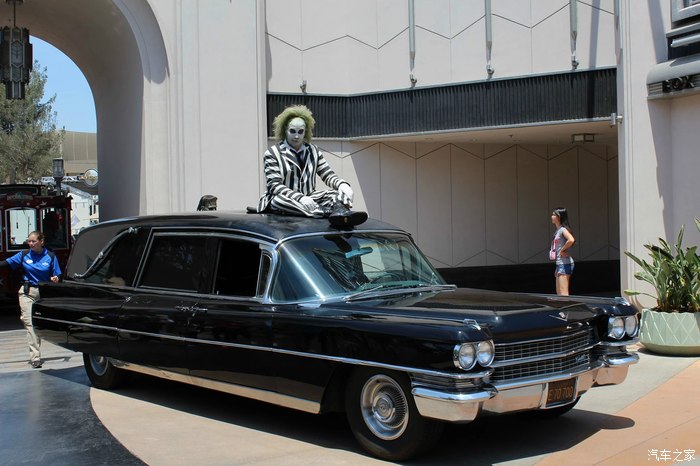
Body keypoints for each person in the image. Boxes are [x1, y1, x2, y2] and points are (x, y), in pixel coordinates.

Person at [257, 105, 367, 227]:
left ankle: (341, 211)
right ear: (285, 130)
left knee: (335, 194)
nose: (296, 136)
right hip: (286, 199)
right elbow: (274, 186)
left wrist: (342, 185)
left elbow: (327, 174)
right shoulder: (272, 153)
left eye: (300, 132)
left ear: (305, 132)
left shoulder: (313, 151)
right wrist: (300, 198)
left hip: (310, 197)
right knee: (278, 201)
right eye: (292, 131)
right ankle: (326, 212)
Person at [0, 231, 62, 368]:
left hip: (43, 293)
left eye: (33, 241)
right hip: (27, 292)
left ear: (41, 241)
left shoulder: (50, 256)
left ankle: (37, 344)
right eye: (29, 241)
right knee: (30, 323)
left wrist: (55, 278)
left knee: (40, 323)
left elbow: (57, 275)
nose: (31, 244)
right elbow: (5, 264)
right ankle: (35, 357)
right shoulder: (23, 255)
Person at [550, 207, 575, 295]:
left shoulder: (563, 230)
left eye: (554, 215)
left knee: (563, 293)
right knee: (559, 293)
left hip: (564, 264)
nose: (552, 216)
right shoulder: (558, 231)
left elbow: (571, 240)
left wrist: (562, 250)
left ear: (559, 217)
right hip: (560, 264)